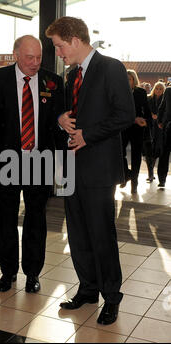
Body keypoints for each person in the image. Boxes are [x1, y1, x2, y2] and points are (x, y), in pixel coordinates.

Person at [46, 17, 135, 325]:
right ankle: (88, 289)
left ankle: (112, 297)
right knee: (78, 235)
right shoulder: (73, 76)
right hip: (72, 168)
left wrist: (88, 134)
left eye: (59, 46)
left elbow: (125, 114)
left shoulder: (110, 68)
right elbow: (66, 114)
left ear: (74, 40)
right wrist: (61, 120)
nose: (58, 53)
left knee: (101, 235)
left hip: (99, 169)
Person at [0, 35, 65, 293]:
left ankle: (33, 273)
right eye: (29, 57)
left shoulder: (53, 82)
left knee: (36, 220)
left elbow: (60, 126)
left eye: (39, 57)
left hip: (40, 160)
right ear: (15, 55)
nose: (35, 63)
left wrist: (62, 166)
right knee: (5, 219)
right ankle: (7, 271)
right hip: (6, 161)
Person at [120, 70, 152, 193]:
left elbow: (147, 112)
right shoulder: (119, 92)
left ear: (134, 80)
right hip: (122, 127)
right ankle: (126, 174)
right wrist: (134, 119)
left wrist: (146, 121)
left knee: (136, 156)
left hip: (138, 129)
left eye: (129, 79)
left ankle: (134, 181)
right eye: (125, 78)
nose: (127, 81)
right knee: (119, 153)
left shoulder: (141, 92)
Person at [145, 81, 165, 182]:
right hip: (148, 127)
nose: (158, 90)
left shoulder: (165, 100)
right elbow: (144, 110)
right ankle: (150, 173)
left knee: (156, 150)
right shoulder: (148, 98)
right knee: (148, 150)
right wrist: (151, 115)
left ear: (163, 90)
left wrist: (159, 117)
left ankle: (151, 171)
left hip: (159, 128)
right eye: (157, 88)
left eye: (160, 89)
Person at [157, 86, 171, 187]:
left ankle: (162, 179)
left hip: (168, 126)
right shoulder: (168, 91)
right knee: (164, 153)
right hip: (168, 126)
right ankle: (162, 179)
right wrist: (159, 121)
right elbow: (162, 107)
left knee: (164, 153)